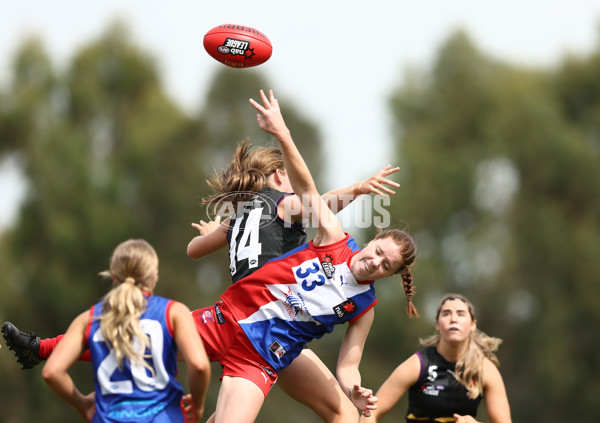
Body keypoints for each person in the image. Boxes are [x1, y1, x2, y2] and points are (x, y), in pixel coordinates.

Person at [4, 90, 419, 423]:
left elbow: (349, 366)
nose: (377, 263)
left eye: (387, 266)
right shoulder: (322, 230)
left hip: (260, 356)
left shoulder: (363, 304)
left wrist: (356, 387)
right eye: (379, 252)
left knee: (343, 412)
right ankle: (42, 349)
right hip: (227, 319)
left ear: (389, 275)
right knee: (131, 334)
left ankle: (43, 348)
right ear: (371, 240)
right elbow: (312, 193)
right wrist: (286, 136)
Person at [186, 139, 401, 423]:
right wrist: (358, 189)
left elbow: (193, 250)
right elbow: (318, 203)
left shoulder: (239, 214)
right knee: (343, 414)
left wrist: (211, 232)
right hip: (271, 323)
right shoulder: (282, 204)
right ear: (278, 175)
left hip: (245, 316)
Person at [40, 239, 211, 422]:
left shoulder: (88, 319)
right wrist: (198, 404)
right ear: (154, 275)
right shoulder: (174, 312)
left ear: (114, 277)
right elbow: (199, 365)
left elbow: (52, 372)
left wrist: (81, 404)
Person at [359, 293, 512, 423]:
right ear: (437, 324)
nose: (453, 319)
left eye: (460, 314)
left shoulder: (484, 369)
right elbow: (371, 413)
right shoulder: (419, 364)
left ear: (473, 325)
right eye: (446, 313)